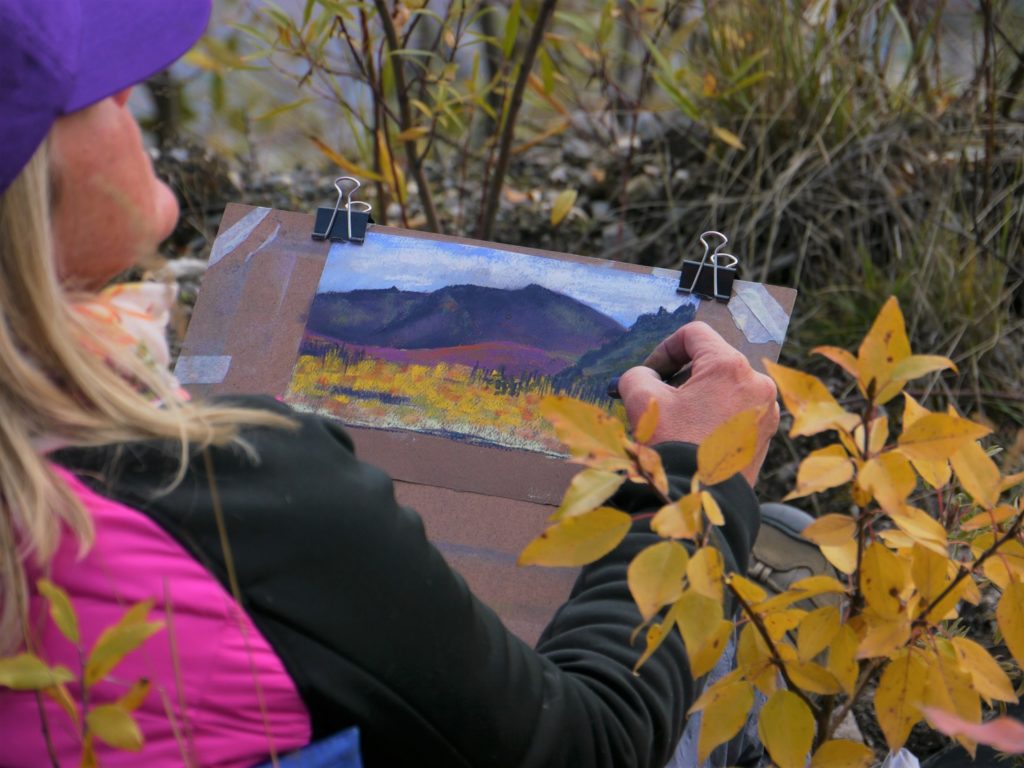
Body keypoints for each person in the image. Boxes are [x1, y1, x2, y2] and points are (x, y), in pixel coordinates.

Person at [0, 0, 780, 765]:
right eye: (92, 90)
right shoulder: (228, 492)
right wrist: (693, 485)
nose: (129, 93)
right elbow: (591, 743)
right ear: (30, 178)